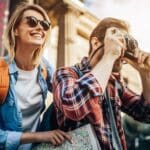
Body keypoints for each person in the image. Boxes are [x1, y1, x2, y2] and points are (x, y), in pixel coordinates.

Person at [52, 17, 150, 150]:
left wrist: (145, 74)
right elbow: (74, 106)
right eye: (119, 41)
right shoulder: (66, 73)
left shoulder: (115, 84)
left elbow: (145, 114)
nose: (121, 50)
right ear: (96, 42)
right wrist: (110, 55)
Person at [0, 3, 71, 150]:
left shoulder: (44, 68)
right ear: (15, 30)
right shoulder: (1, 71)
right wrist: (41, 136)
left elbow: (70, 97)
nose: (40, 28)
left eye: (45, 25)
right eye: (32, 22)